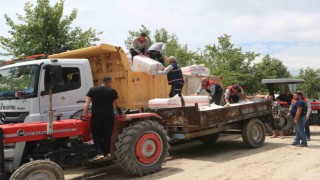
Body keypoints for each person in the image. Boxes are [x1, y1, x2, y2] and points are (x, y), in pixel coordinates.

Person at [82, 76, 122, 161]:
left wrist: (84, 115)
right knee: (107, 135)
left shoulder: (92, 90)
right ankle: (107, 153)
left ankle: (99, 153)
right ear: (110, 82)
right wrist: (120, 112)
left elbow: (87, 103)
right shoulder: (113, 91)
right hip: (109, 117)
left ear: (102, 81)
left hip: (97, 117)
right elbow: (117, 105)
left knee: (97, 135)